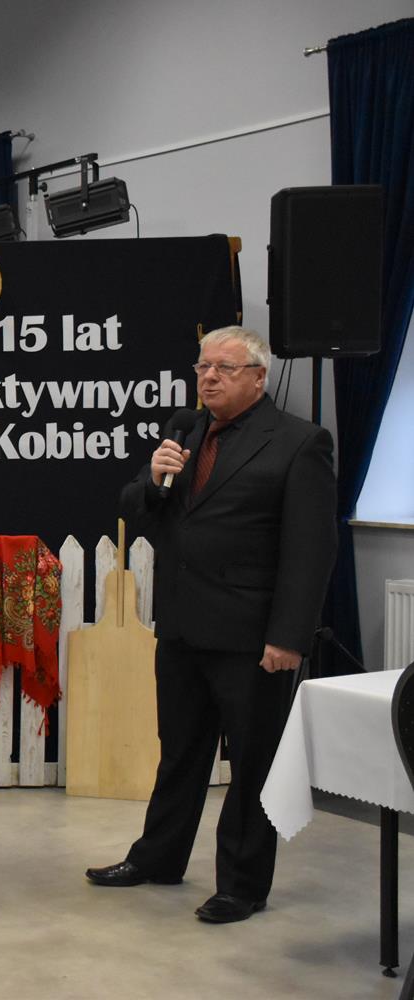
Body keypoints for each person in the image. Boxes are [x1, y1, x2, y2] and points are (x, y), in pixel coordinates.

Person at [85, 325, 337, 923]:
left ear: (258, 377)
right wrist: (153, 479)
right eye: (202, 367)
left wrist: (289, 636)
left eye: (224, 368)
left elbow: (311, 549)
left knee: (252, 764)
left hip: (252, 637)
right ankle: (158, 858)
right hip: (181, 626)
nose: (209, 377)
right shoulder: (185, 431)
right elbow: (135, 509)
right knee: (179, 753)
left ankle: (242, 885)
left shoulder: (300, 442)